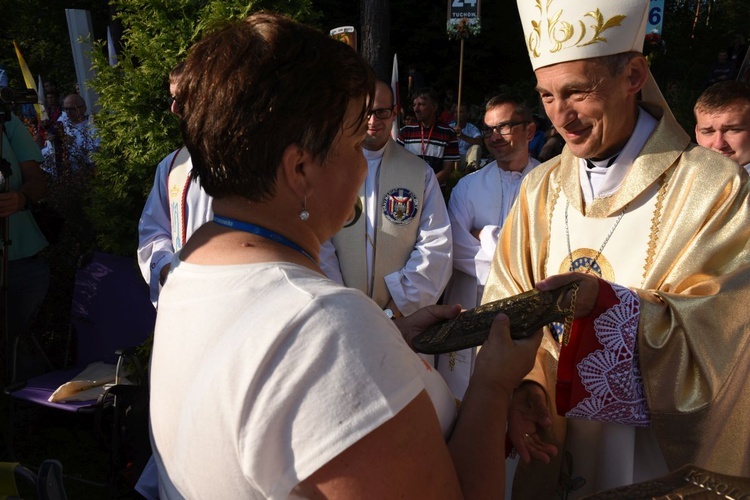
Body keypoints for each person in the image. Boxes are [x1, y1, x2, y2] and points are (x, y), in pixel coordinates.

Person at [148, 13, 543, 499]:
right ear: (300, 170)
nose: (364, 165)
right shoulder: (323, 328)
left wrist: (383, 337)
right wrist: (493, 386)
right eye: (354, 142)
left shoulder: (189, 271)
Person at [484, 0, 750, 497]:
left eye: (577, 92)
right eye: (546, 96)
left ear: (633, 74)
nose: (562, 116)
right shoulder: (539, 188)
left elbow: (728, 332)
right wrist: (521, 388)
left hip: (651, 460)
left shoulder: (714, 187)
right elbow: (506, 304)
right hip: (552, 438)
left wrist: (609, 311)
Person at [320, 80, 452, 323]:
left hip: (401, 317)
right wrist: (341, 300)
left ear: (394, 113)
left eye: (381, 112)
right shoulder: (327, 169)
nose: (373, 121)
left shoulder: (419, 173)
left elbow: (435, 245)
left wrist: (396, 308)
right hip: (339, 312)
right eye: (365, 112)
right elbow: (317, 240)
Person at [439, 95, 540, 399]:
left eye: (505, 127)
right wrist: (509, 258)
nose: (494, 136)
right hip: (471, 300)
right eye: (488, 129)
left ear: (530, 131)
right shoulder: (468, 187)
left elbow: (544, 248)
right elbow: (455, 246)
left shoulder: (548, 183)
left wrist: (483, 234)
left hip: (525, 307)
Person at [137, 62, 213, 307]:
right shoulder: (172, 167)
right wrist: (165, 267)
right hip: (187, 303)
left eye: (181, 99)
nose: (174, 109)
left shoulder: (261, 163)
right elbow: (153, 231)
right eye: (172, 99)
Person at [1, 110, 50, 381]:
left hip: (20, 262)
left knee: (20, 355)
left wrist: (21, 199)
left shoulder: (5, 118)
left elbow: (38, 181)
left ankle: (30, 417)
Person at [398, 87, 459, 190]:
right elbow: (397, 163)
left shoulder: (448, 133)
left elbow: (447, 170)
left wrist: (425, 187)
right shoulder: (406, 131)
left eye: (421, 104)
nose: (416, 109)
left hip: (435, 193)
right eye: (414, 105)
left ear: (434, 107)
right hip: (408, 190)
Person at [694, 80, 750, 173]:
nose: (718, 144)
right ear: (697, 133)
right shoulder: (680, 182)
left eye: (732, 130)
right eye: (708, 132)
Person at [449, 102, 483, 171]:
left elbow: (480, 142)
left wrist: (461, 136)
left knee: (476, 147)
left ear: (467, 114)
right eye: (455, 112)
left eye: (460, 112)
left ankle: (471, 170)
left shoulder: (472, 128)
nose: (457, 114)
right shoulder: (449, 127)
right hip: (452, 159)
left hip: (466, 159)